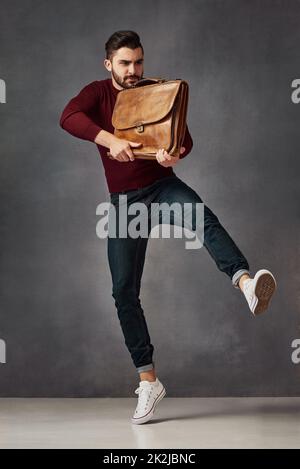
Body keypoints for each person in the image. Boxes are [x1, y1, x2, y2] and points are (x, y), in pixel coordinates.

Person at [59, 30, 277, 425]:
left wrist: (173, 153)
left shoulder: (157, 90)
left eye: (138, 62)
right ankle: (149, 381)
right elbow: (68, 117)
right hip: (124, 203)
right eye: (125, 63)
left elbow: (184, 140)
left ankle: (245, 282)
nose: (133, 70)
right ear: (109, 63)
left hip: (162, 187)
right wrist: (109, 140)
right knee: (123, 291)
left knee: (200, 216)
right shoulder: (96, 94)